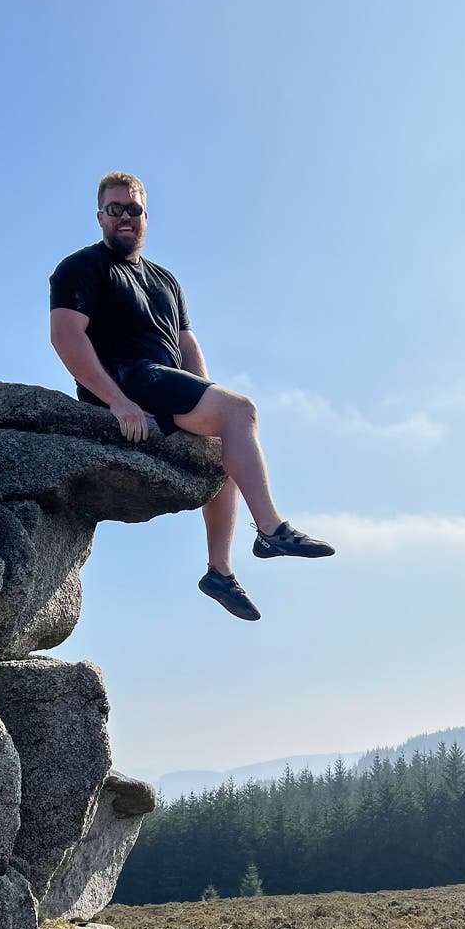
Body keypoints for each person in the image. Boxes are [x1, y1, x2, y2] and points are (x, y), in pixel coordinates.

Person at [49, 170, 334, 621]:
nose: (125, 216)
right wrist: (117, 401)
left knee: (228, 438)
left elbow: (185, 344)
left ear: (146, 214)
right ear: (100, 216)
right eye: (114, 209)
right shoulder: (79, 268)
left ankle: (219, 572)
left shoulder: (166, 280)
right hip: (126, 379)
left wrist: (207, 393)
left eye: (133, 209)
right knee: (243, 410)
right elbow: (66, 337)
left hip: (162, 379)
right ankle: (271, 530)